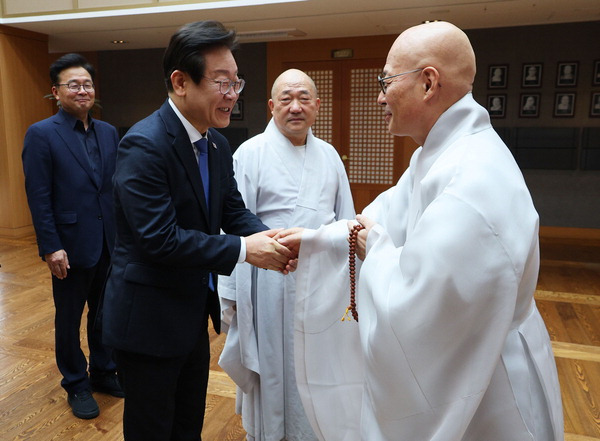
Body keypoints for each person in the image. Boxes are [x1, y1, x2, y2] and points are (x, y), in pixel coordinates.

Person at [277, 21, 564, 441]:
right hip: (469, 364)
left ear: (428, 83)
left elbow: (425, 301)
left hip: (485, 380)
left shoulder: (473, 176)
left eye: (387, 81)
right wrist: (320, 240)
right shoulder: (439, 155)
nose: (379, 96)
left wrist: (374, 246)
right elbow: (384, 214)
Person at [101, 21, 293, 441]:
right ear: (180, 82)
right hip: (148, 320)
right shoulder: (144, 144)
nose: (233, 94)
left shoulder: (216, 144)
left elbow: (233, 211)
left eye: (236, 82)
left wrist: (277, 241)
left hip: (189, 313)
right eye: (222, 83)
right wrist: (246, 250)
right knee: (153, 429)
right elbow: (159, 240)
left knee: (188, 425)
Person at [218, 69, 355, 441]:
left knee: (317, 364)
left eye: (304, 98)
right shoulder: (250, 153)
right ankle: (270, 433)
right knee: (274, 367)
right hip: (267, 282)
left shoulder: (329, 156)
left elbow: (346, 222)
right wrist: (229, 295)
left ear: (317, 105)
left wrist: (351, 283)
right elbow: (231, 224)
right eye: (286, 99)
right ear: (271, 106)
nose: (295, 107)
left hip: (320, 281)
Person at [22, 53, 122, 419]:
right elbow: (39, 195)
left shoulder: (108, 132)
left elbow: (112, 189)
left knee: (105, 314)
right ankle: (76, 383)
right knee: (69, 319)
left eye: (88, 84)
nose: (83, 90)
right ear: (56, 91)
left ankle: (104, 372)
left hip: (108, 242)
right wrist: (51, 246)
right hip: (69, 244)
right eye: (74, 84)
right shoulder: (42, 134)